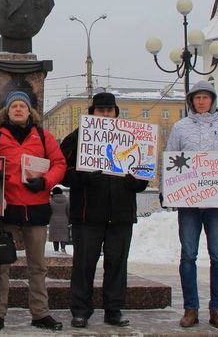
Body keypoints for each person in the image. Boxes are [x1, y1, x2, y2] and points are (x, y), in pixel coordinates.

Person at [163, 81, 218, 331]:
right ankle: (191, 309)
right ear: (191, 101)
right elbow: (169, 158)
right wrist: (166, 191)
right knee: (188, 255)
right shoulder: (180, 127)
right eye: (197, 97)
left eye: (205, 97)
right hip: (188, 202)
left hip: (217, 203)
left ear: (212, 100)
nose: (201, 101)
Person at [60, 92, 149, 329]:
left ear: (116, 113)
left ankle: (114, 309)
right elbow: (62, 172)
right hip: (87, 215)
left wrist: (136, 183)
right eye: (101, 110)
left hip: (121, 214)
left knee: (117, 264)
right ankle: (80, 310)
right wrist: (83, 177)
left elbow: (143, 173)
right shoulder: (76, 139)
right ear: (92, 112)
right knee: (83, 264)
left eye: (110, 110)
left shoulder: (132, 137)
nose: (106, 114)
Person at [0, 90, 67, 332]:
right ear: (7, 112)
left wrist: (46, 181)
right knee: (1, 267)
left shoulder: (43, 136)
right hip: (7, 210)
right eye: (14, 106)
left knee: (38, 266)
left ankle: (40, 313)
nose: (18, 109)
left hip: (36, 209)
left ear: (30, 111)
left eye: (22, 105)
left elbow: (59, 163)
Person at [48, 187, 70, 253]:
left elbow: (49, 211)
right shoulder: (67, 200)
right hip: (64, 220)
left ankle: (56, 250)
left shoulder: (51, 201)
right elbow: (68, 211)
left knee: (55, 236)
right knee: (63, 235)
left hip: (53, 220)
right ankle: (63, 248)